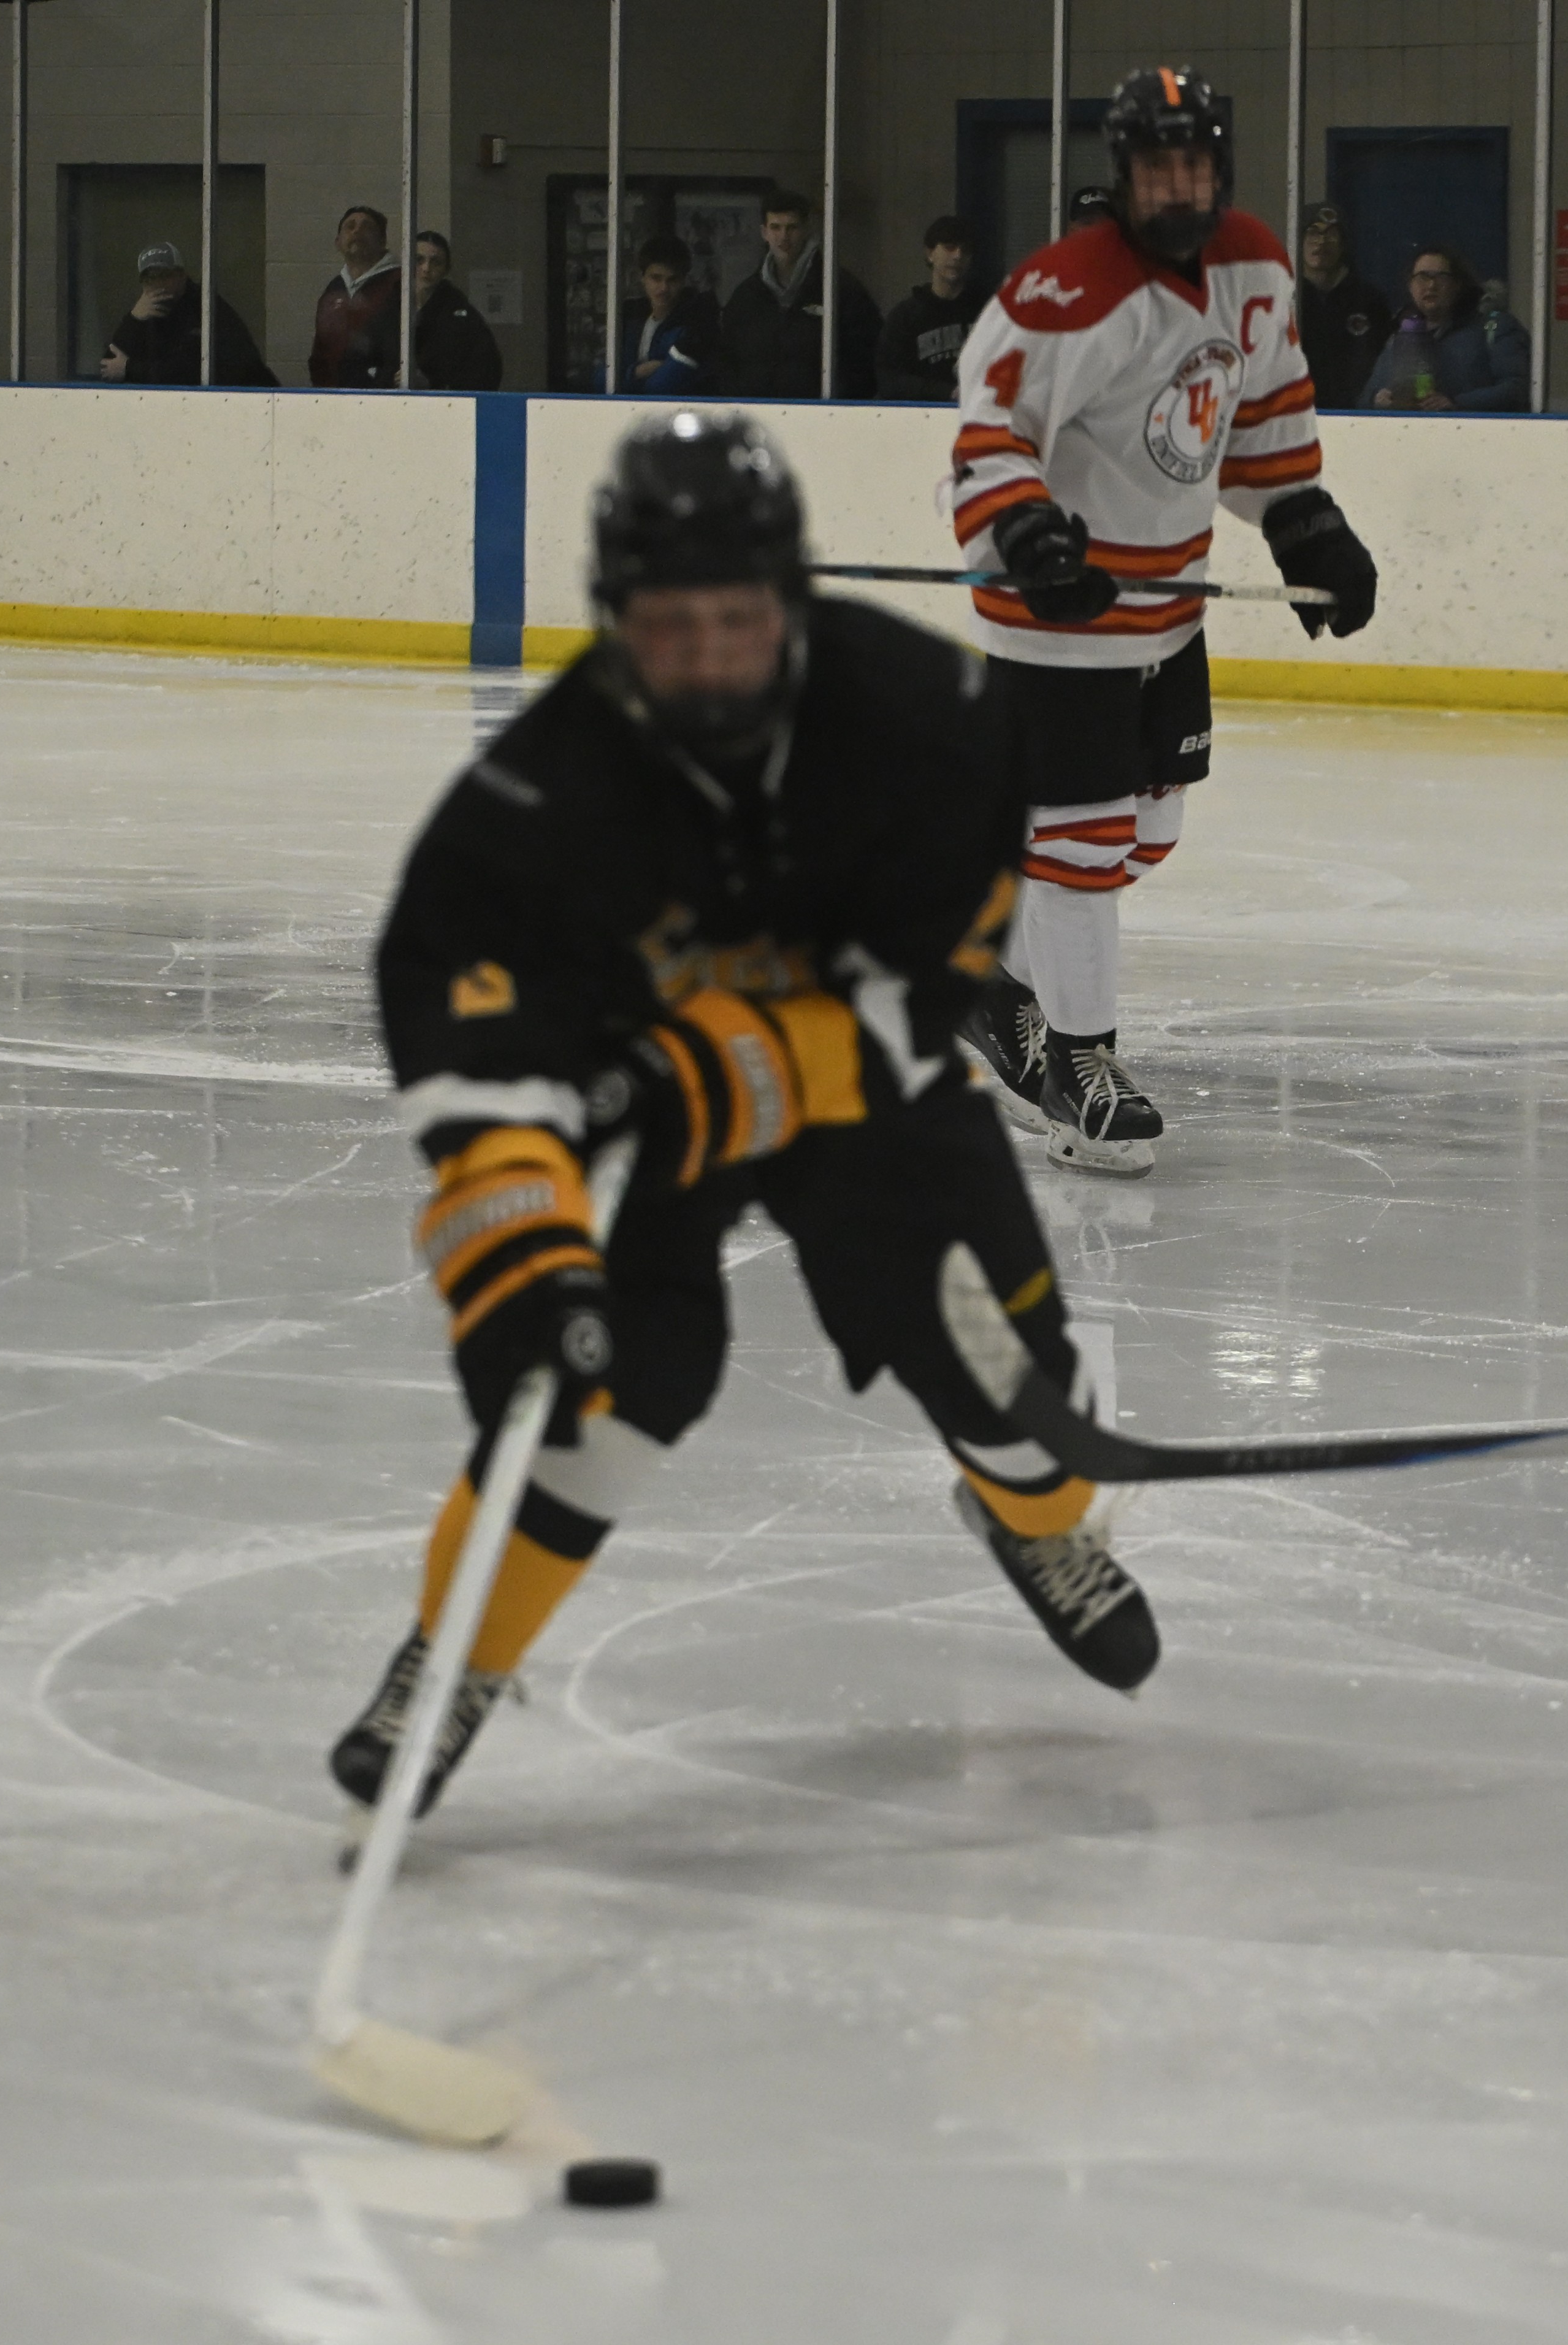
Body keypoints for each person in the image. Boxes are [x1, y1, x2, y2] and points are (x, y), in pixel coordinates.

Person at [327, 410, 1159, 1824]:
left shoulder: (932, 722)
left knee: (1012, 1389)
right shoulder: (532, 802)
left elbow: (923, 998)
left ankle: (1033, 1519)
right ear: (610, 617)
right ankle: (456, 1652)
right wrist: (516, 1251)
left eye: (735, 618)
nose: (706, 655)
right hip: (642, 1112)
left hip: (866, 1102)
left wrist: (732, 1067)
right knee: (603, 1390)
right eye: (667, 624)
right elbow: (483, 1071)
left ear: (790, 600)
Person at [949, 66, 1380, 1175]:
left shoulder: (1251, 263)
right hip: (1056, 615)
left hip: (1164, 608)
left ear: (1220, 167)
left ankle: (999, 999)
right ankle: (1078, 1072)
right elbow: (989, 432)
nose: (1178, 184)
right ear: (1123, 174)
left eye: (1195, 163)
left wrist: (1305, 524)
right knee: (1084, 842)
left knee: (1145, 832)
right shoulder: (1069, 290)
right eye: (1157, 166)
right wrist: (1030, 535)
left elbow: (1265, 414)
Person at [716, 190, 882, 401]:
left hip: (823, 419)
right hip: (758, 416)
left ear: (806, 230)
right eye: (775, 228)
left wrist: (839, 404)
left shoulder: (840, 288)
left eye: (792, 227)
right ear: (764, 232)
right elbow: (726, 358)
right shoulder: (746, 296)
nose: (784, 236)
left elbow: (867, 356)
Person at [1362, 245, 1531, 410]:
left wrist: (1457, 403)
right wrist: (1376, 400)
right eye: (1422, 277)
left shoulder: (1494, 328)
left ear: (1457, 285)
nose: (1431, 286)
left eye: (1441, 277)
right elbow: (1365, 397)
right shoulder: (1399, 337)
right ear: (1410, 286)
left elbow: (1517, 389)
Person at [98, 242, 278, 386]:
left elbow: (191, 371)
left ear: (182, 276)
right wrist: (134, 319)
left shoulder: (205, 306)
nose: (158, 283)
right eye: (150, 278)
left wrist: (129, 369)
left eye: (164, 275)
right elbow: (109, 367)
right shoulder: (145, 312)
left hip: (248, 399)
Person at [1294, 201, 1393, 413]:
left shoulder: (1369, 300)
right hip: (1295, 414)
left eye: (1331, 234)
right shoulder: (1286, 297)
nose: (1321, 242)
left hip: (1356, 416)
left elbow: (1384, 363)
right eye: (1313, 233)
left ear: (1344, 243)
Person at [876, 215, 988, 402]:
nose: (958, 256)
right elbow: (890, 380)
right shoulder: (905, 317)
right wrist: (946, 393)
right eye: (949, 247)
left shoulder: (987, 313)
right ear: (930, 253)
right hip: (922, 419)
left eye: (965, 250)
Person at [607, 234, 716, 394]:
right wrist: (638, 372)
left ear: (684, 280)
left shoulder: (696, 323)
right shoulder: (629, 317)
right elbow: (601, 379)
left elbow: (660, 388)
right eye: (656, 278)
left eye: (672, 280)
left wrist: (625, 379)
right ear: (642, 277)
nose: (664, 288)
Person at [310, 204, 405, 387]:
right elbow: (320, 352)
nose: (357, 231)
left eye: (367, 227)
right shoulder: (334, 289)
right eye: (350, 226)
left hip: (386, 401)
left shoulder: (401, 283)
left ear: (383, 240)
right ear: (338, 241)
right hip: (335, 402)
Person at [406, 231, 505, 391]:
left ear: (446, 269)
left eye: (436, 262)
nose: (426, 268)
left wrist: (433, 384)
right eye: (419, 260)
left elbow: (486, 370)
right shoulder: (390, 306)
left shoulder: (463, 317)